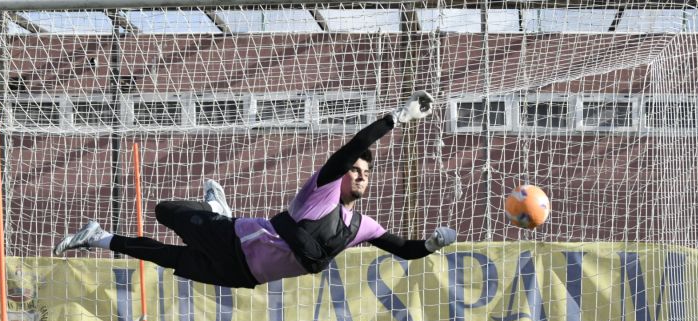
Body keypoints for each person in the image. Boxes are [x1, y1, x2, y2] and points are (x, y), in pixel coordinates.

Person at [53, 91, 456, 288]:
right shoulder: (321, 193)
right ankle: (220, 214)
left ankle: (98, 237)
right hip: (232, 239)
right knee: (164, 211)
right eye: (354, 170)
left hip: (243, 275)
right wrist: (396, 118)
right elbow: (350, 148)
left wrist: (432, 244)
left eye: (365, 172)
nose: (360, 175)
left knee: (166, 256)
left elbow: (405, 249)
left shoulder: (362, 227)